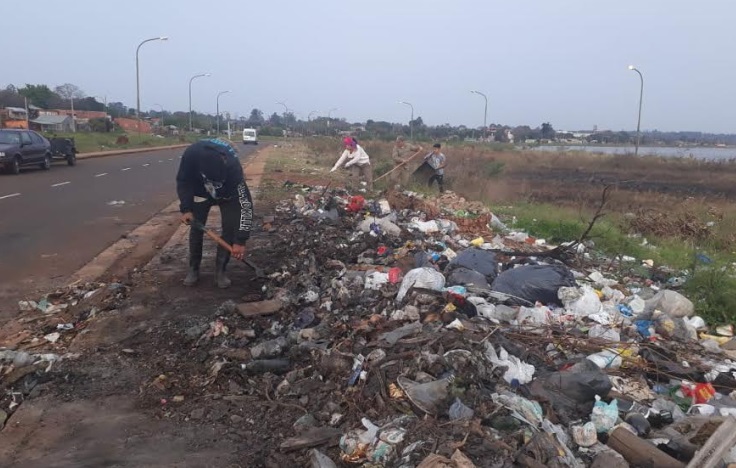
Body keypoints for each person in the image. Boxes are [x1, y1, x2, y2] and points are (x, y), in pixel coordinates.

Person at [176, 138, 254, 288]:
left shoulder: (233, 169)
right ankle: (193, 269)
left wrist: (240, 240)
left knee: (230, 228)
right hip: (200, 191)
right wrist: (186, 209)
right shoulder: (191, 155)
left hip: (227, 194)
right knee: (196, 226)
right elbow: (183, 181)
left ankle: (220, 271)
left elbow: (245, 205)